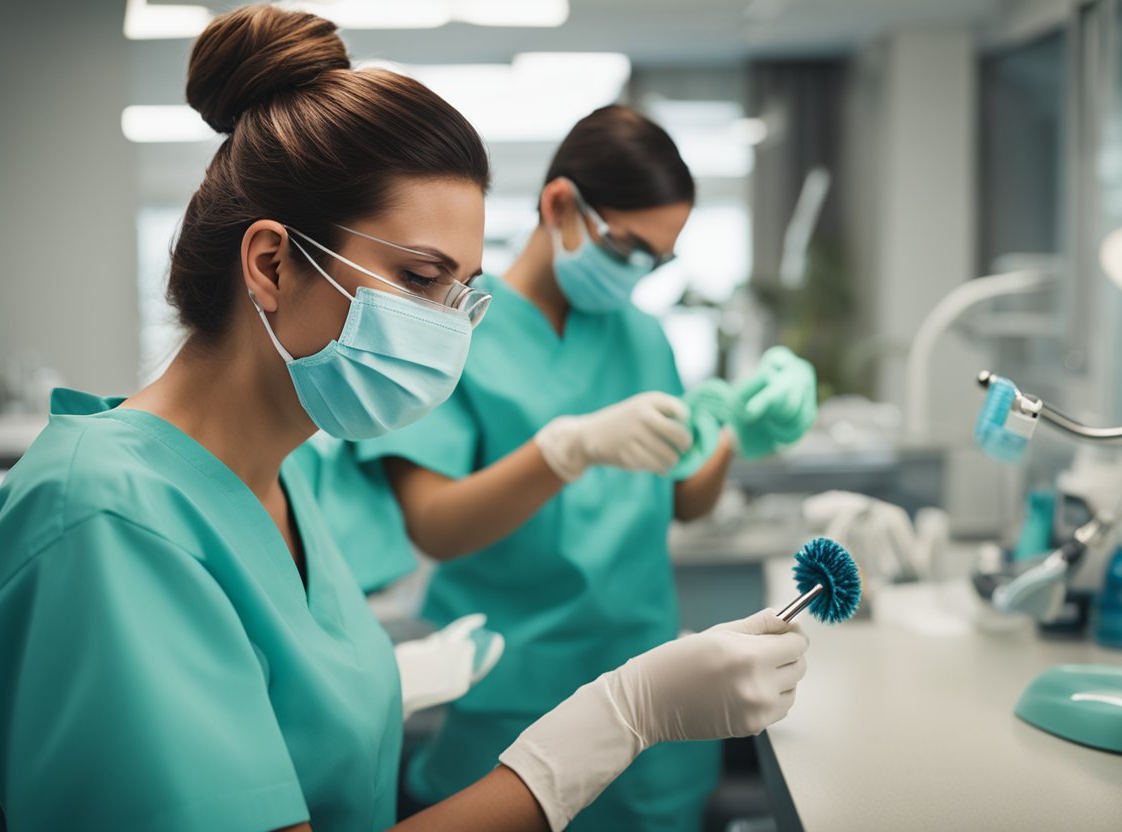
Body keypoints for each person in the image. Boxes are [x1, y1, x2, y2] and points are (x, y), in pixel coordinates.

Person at [0, 7, 809, 832]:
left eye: (463, 294)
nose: (450, 329)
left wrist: (369, 685)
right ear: (272, 265)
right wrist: (612, 722)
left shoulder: (275, 486)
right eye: (421, 280)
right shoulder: (104, 519)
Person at [302, 105, 821, 831]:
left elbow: (682, 502)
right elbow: (438, 528)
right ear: (559, 206)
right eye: (630, 247)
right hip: (514, 705)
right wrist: (563, 451)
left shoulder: (643, 336)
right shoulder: (453, 334)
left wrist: (736, 433)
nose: (638, 273)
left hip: (655, 696)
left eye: (658, 260)